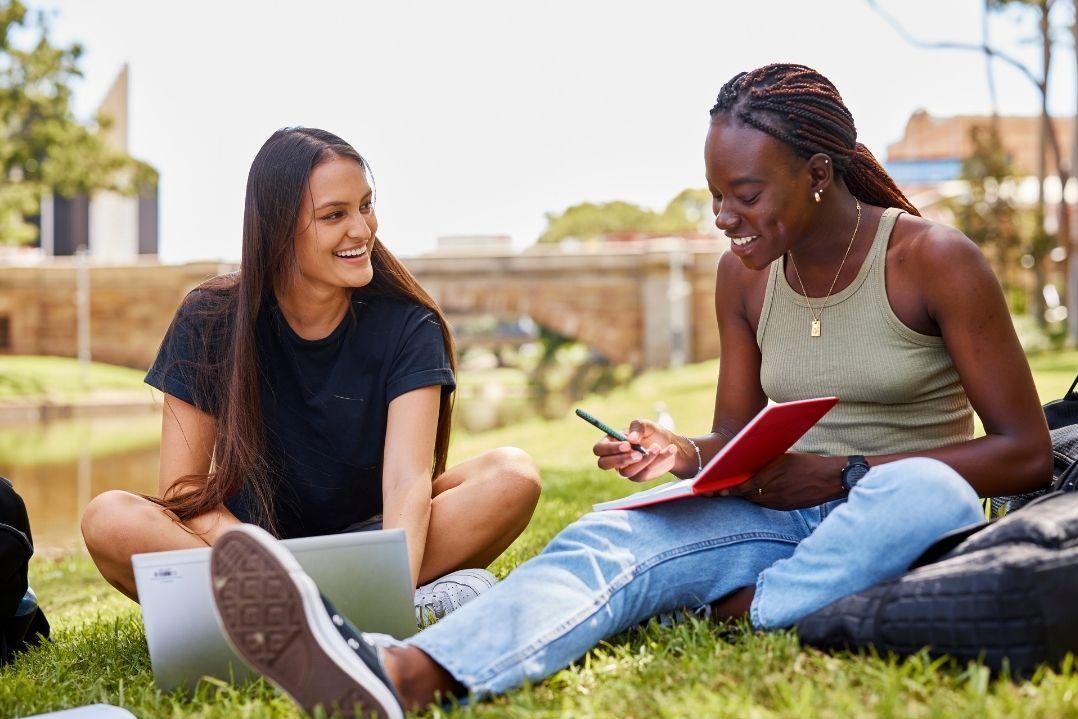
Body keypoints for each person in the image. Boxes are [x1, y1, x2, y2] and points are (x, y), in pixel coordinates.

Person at [207, 64, 1053, 717]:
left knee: (918, 489)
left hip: (891, 511)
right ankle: (404, 672)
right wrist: (688, 455)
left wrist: (846, 473)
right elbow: (733, 438)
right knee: (602, 539)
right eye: (717, 195)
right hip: (774, 520)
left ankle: (749, 607)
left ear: (819, 174)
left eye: (745, 195)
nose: (724, 216)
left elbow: (1026, 453)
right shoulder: (744, 278)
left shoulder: (932, 260)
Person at [80, 128, 542, 623]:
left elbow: (408, 480)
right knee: (109, 517)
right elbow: (184, 491)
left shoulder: (409, 325)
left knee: (513, 475)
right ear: (278, 228)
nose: (362, 230)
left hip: (374, 542)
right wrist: (262, 559)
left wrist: (392, 591)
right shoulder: (209, 318)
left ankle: (287, 616)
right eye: (334, 215)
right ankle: (307, 606)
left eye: (365, 206)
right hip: (248, 551)